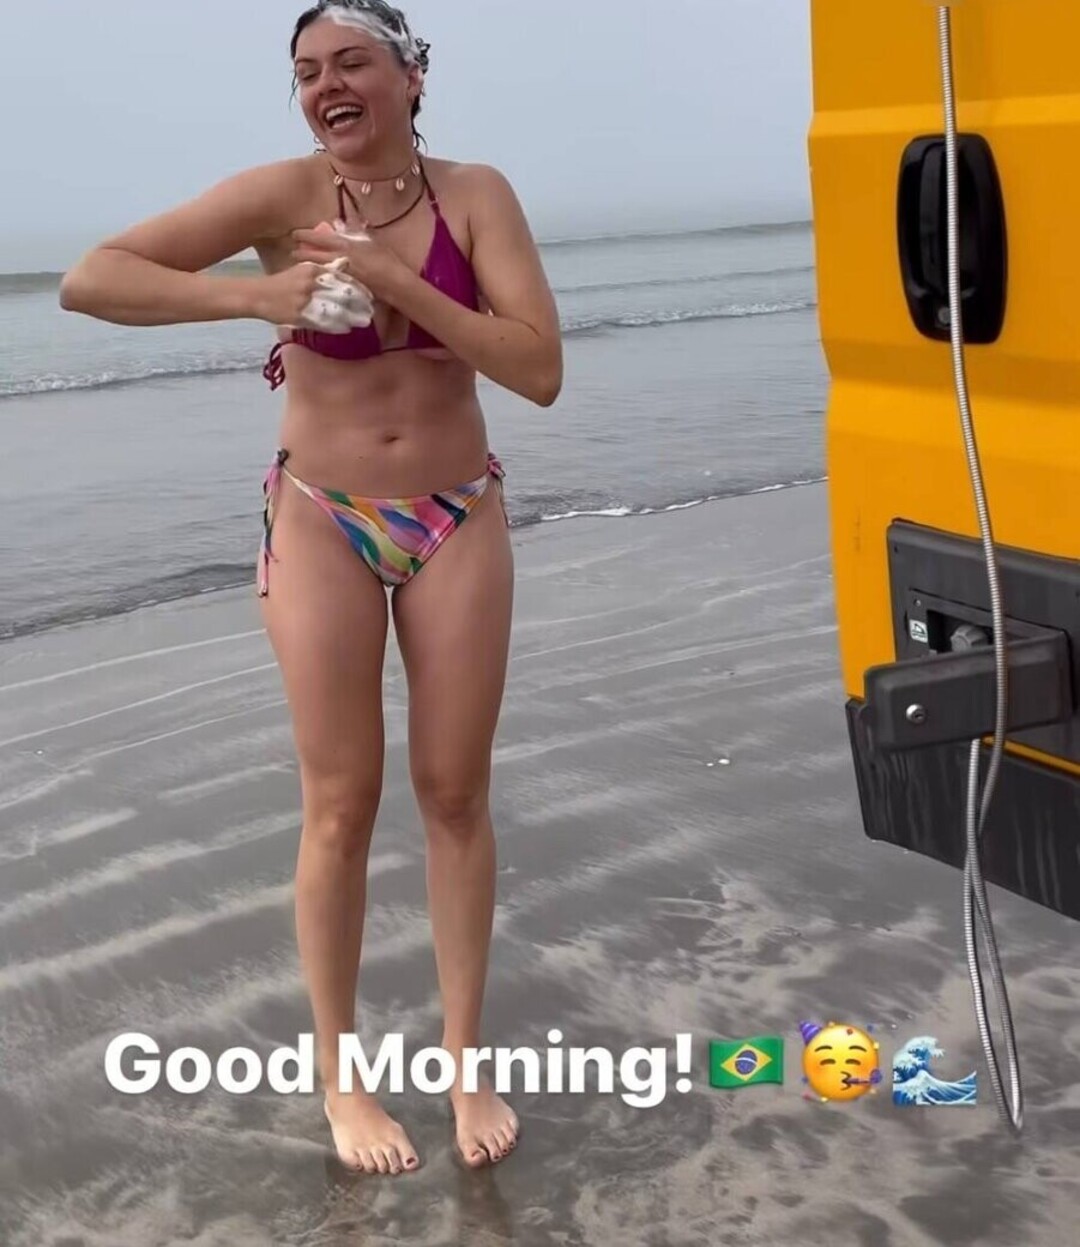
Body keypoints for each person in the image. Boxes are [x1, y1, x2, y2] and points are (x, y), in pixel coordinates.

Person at [59, 0, 563, 1176]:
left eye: (352, 62)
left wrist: (396, 279)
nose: (326, 85)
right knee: (340, 800)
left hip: (455, 513)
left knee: (455, 793)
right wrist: (258, 297)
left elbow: (537, 368)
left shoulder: (476, 197)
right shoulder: (281, 196)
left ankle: (464, 1060)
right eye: (305, 72)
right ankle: (343, 1077)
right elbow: (93, 279)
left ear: (412, 77)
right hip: (321, 515)